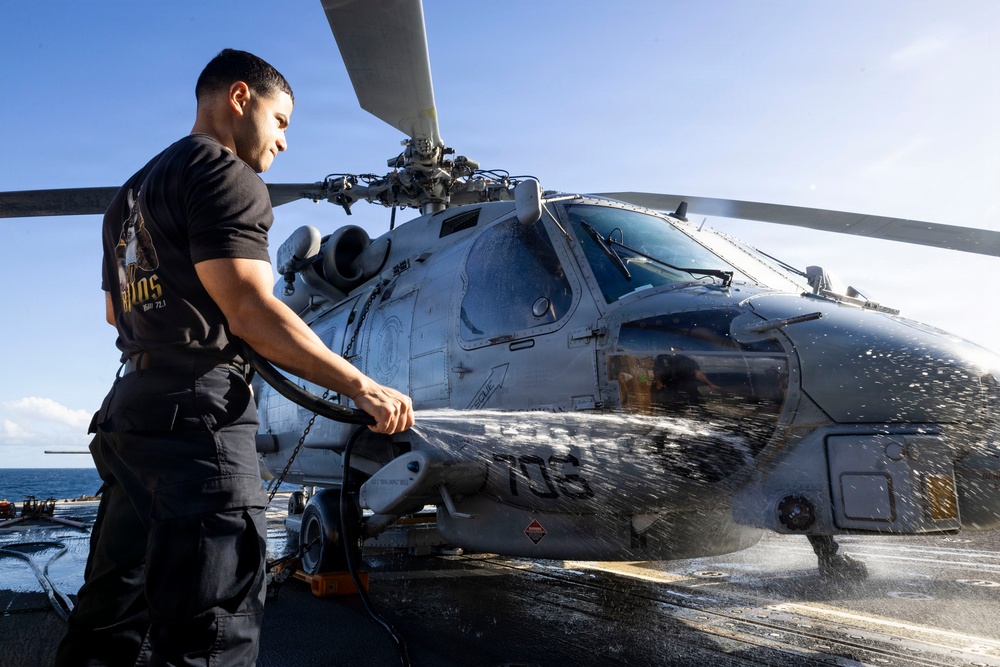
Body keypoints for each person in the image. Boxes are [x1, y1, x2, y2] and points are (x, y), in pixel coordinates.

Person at [55, 48, 413, 667]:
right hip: (198, 427)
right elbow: (250, 310)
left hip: (130, 418)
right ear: (240, 98)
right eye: (281, 122)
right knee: (210, 635)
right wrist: (361, 386)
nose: (283, 143)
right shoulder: (225, 174)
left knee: (110, 617)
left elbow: (116, 314)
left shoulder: (128, 198)